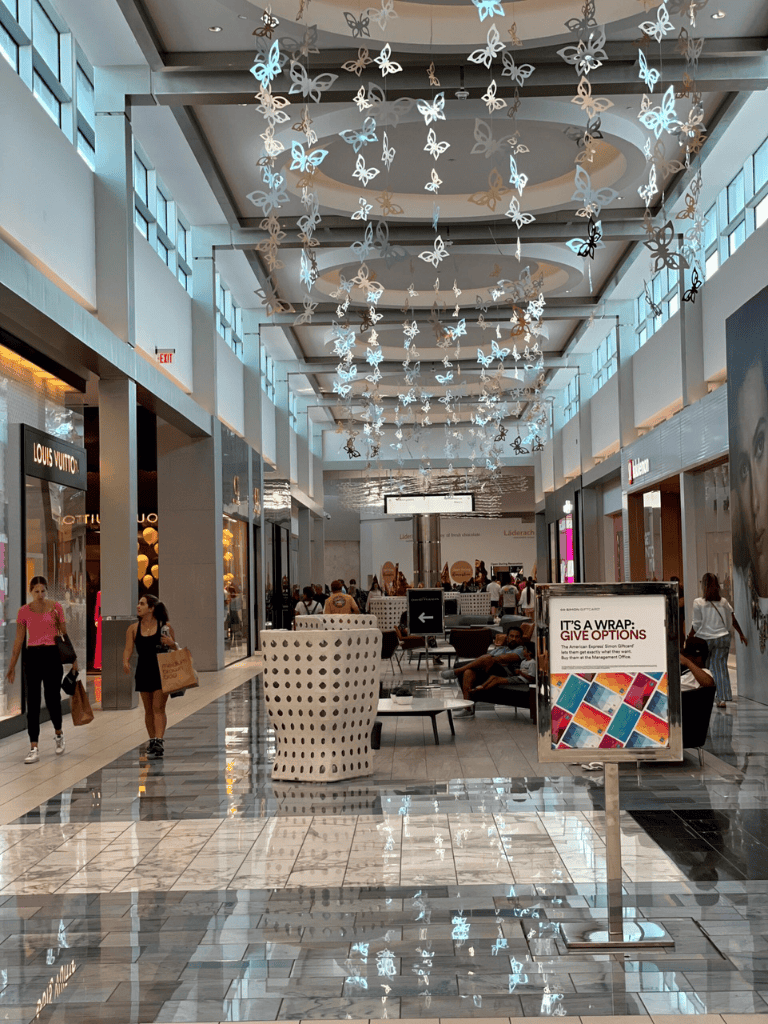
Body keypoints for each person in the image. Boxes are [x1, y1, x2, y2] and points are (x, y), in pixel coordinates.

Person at [6, 576, 75, 763]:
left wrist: (73, 659)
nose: (40, 595)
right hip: (33, 656)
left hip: (52, 655)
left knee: (52, 698)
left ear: (47, 591)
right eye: (36, 591)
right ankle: (33, 746)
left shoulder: (56, 607)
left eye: (43, 591)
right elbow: (19, 640)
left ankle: (59, 733)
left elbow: (64, 633)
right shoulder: (24, 611)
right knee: (33, 702)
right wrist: (11, 666)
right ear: (31, 592)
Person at [123, 595, 177, 758]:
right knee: (147, 709)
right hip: (143, 670)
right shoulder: (133, 628)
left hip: (161, 669)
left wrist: (172, 643)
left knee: (158, 707)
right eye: (138, 603)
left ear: (151, 608)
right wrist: (125, 661)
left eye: (142, 604)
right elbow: (128, 648)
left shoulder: (164, 627)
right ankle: (152, 739)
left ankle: (159, 740)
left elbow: (175, 647)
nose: (138, 606)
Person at [689, 573, 747, 707]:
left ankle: (706, 696)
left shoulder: (698, 602)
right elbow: (732, 619)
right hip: (722, 638)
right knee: (720, 667)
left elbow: (696, 624)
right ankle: (722, 697)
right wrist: (741, 634)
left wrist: (690, 636)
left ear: (703, 585)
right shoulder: (724, 602)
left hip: (705, 640)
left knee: (705, 668)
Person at [442, 626, 526, 715]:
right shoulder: (501, 648)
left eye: (517, 637)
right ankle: (468, 709)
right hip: (490, 670)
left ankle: (457, 671)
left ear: (520, 639)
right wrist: (487, 660)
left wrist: (491, 660)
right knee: (468, 672)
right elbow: (487, 658)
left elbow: (504, 658)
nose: (514, 639)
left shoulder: (521, 649)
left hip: (505, 672)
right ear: (507, 637)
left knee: (488, 658)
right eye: (511, 636)